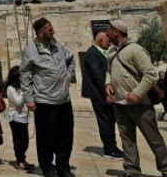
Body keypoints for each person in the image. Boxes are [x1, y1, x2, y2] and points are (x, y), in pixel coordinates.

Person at [105, 19, 167, 177]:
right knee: (127, 140)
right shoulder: (112, 51)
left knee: (154, 139)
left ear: (116, 32)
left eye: (109, 29)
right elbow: (110, 72)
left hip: (140, 104)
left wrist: (137, 93)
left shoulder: (135, 50)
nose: (106, 32)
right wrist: (108, 84)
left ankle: (165, 168)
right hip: (120, 104)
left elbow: (150, 73)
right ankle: (131, 171)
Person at [20, 18, 75, 177]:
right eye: (50, 30)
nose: (53, 32)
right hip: (45, 101)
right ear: (40, 33)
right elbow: (25, 75)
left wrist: (68, 77)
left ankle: (63, 167)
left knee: (66, 136)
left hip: (64, 100)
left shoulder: (58, 46)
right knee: (46, 138)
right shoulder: (30, 51)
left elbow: (71, 60)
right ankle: (47, 167)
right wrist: (29, 98)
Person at [81, 31, 123, 159]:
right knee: (106, 121)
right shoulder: (93, 53)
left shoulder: (97, 52)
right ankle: (110, 149)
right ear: (100, 41)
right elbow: (98, 76)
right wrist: (106, 94)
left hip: (100, 93)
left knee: (109, 120)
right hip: (99, 94)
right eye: (108, 41)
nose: (110, 43)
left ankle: (111, 147)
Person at [6, 66, 35, 173]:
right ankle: (20, 162)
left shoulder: (19, 88)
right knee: (19, 141)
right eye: (21, 75)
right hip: (15, 118)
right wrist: (24, 91)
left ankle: (23, 159)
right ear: (16, 76)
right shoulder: (10, 89)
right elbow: (18, 103)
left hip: (23, 118)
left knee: (25, 141)